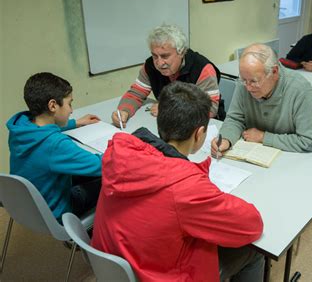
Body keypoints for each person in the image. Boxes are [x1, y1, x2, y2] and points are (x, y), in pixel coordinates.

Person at [91, 82, 264, 281]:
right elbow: (252, 224)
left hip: (115, 266)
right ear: (199, 134)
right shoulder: (185, 188)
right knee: (252, 251)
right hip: (155, 275)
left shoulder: (122, 153)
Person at [6, 72, 102, 221]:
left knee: (80, 172)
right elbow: (101, 165)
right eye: (69, 103)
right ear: (52, 105)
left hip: (27, 204)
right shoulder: (55, 145)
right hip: (57, 212)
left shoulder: (20, 128)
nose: (71, 110)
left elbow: (43, 129)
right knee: (109, 179)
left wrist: (75, 123)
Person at [211, 43, 312, 155]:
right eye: (243, 80)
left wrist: (264, 137)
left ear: (274, 72)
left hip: (289, 157)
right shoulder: (246, 81)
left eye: (254, 81)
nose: (247, 87)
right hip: (252, 153)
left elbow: (308, 141)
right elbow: (235, 118)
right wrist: (226, 139)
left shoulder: (300, 90)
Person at [111, 24, 224, 128]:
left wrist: (169, 109)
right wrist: (124, 111)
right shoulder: (150, 66)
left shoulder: (202, 69)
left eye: (165, 56)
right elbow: (136, 93)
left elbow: (209, 109)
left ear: (181, 52)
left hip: (203, 127)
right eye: (155, 56)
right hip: (168, 126)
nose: (159, 63)